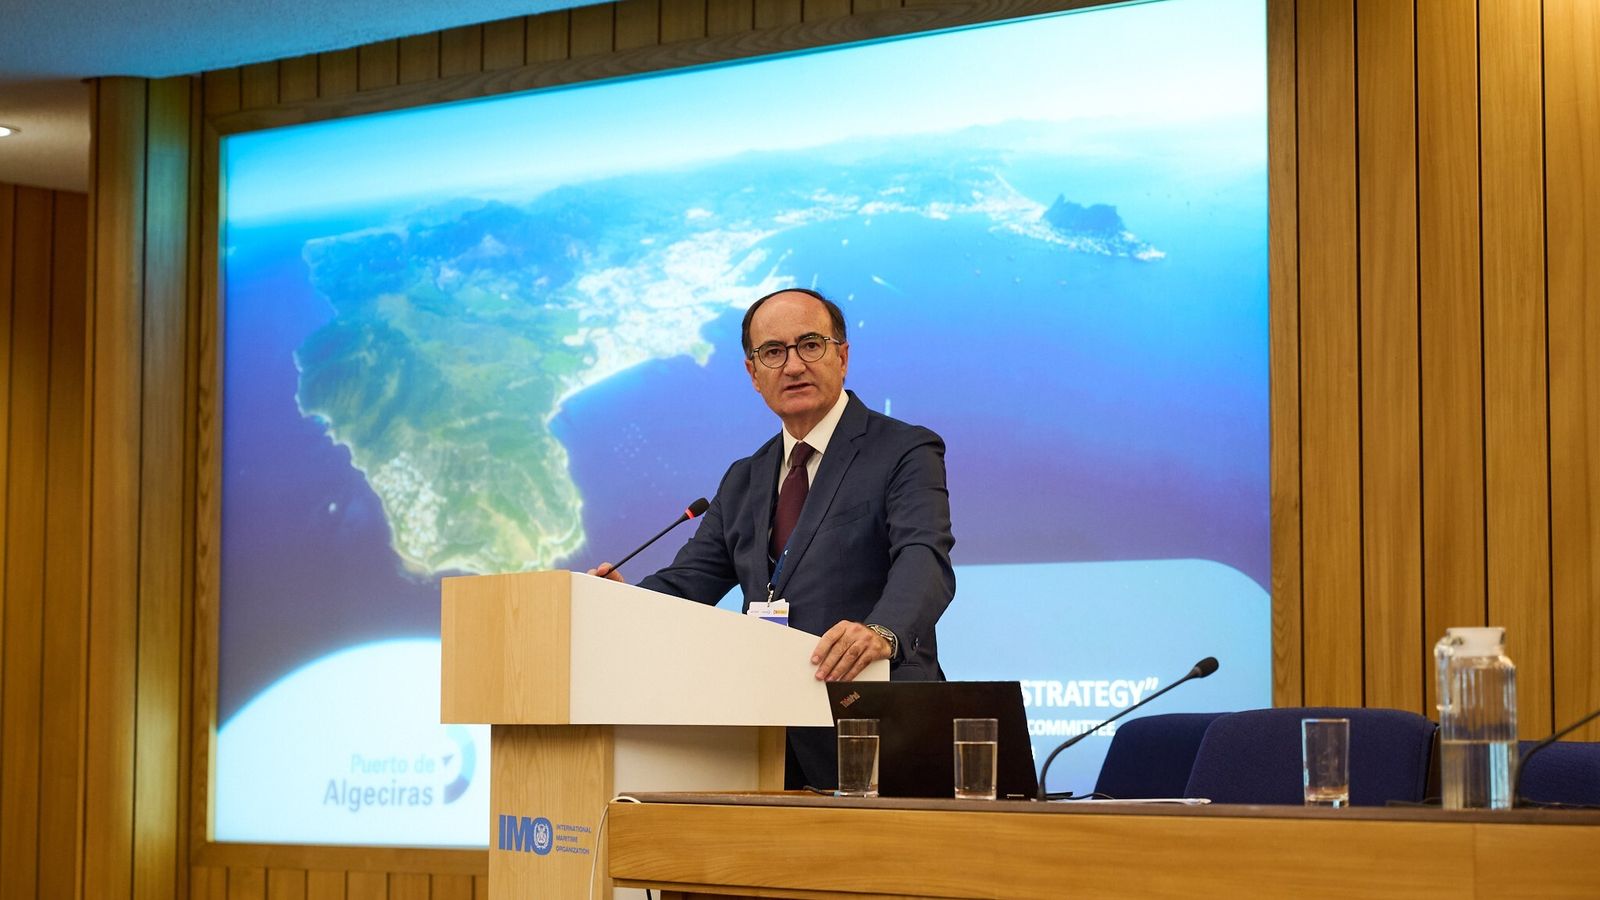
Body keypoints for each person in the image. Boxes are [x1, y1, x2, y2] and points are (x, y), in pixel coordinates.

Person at [588, 287, 957, 788]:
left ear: (842, 356)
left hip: (875, 728)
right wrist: (616, 603)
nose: (793, 365)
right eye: (773, 352)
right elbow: (688, 583)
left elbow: (924, 558)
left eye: (810, 345)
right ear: (753, 374)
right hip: (763, 741)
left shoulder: (903, 450)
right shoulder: (744, 478)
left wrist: (882, 631)